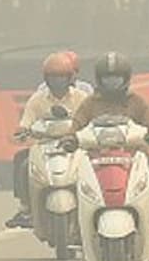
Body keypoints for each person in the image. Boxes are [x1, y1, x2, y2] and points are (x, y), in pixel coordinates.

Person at [71, 52, 149, 229]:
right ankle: (79, 222)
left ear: (126, 79)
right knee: (79, 182)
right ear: (99, 80)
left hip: (131, 157)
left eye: (116, 80)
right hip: (96, 158)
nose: (112, 84)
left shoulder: (136, 101)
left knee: (147, 180)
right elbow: (76, 125)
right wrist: (70, 139)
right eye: (107, 80)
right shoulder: (90, 103)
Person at [5, 52, 91, 229]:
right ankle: (26, 208)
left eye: (62, 77)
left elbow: (90, 118)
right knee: (23, 164)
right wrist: (22, 130)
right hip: (45, 145)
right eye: (53, 78)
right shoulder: (38, 99)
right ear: (46, 78)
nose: (58, 82)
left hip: (75, 145)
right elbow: (27, 120)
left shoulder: (82, 97)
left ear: (71, 77)